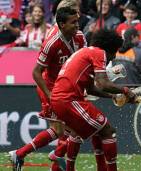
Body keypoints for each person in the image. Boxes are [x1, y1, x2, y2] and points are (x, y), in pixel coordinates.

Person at [8, 6, 86, 171]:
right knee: (70, 129)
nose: (78, 25)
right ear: (62, 24)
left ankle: (23, 154)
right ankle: (56, 159)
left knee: (67, 129)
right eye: (74, 22)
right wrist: (50, 95)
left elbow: (82, 64)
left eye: (78, 20)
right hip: (51, 88)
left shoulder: (80, 38)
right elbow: (36, 72)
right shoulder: (51, 43)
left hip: (67, 88)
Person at [50, 28, 135, 171]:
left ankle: (63, 164)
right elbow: (103, 83)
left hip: (61, 99)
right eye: (114, 52)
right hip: (69, 99)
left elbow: (91, 89)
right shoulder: (99, 53)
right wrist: (126, 90)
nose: (113, 57)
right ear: (108, 48)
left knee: (85, 132)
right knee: (108, 131)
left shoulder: (85, 52)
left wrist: (113, 96)